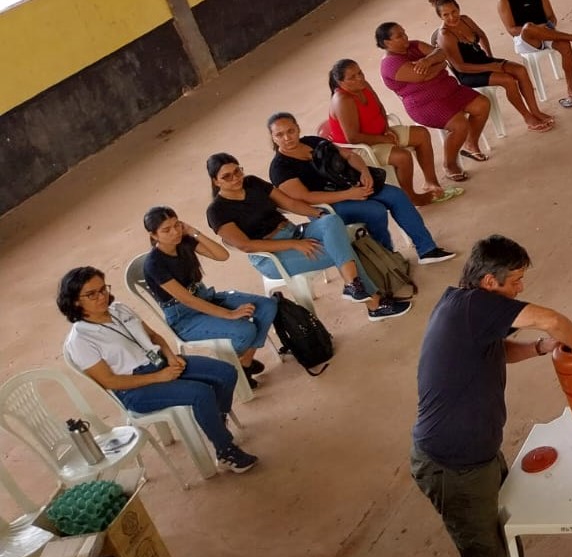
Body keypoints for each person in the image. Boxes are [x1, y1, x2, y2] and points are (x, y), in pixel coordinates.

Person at [410, 235, 572, 557]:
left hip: (479, 452)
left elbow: (498, 349)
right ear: (490, 281)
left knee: (506, 527)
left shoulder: (466, 309)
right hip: (451, 466)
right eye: (515, 281)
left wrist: (541, 349)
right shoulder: (475, 307)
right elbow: (553, 319)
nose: (520, 288)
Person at [59, 266, 258, 473]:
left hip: (160, 361)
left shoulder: (119, 309)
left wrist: (171, 357)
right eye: (91, 294)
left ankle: (216, 420)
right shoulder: (80, 339)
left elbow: (154, 336)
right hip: (134, 387)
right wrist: (159, 377)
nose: (102, 297)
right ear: (75, 301)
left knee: (226, 372)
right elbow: (109, 381)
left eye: (103, 289)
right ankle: (225, 450)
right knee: (201, 393)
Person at [204, 152, 410, 322]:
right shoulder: (217, 211)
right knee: (341, 249)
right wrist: (294, 244)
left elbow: (290, 203)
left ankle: (353, 286)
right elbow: (246, 245)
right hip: (269, 255)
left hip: (293, 232)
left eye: (237, 171)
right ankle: (374, 303)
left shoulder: (252, 183)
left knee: (331, 220)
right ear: (215, 181)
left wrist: (318, 214)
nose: (236, 178)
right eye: (227, 177)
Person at [266, 112, 455, 265]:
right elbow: (306, 197)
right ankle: (387, 258)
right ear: (273, 138)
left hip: (350, 187)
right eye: (279, 135)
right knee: (374, 210)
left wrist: (364, 172)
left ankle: (427, 249)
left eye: (290, 131)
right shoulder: (280, 167)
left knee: (396, 195)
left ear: (298, 128)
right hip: (326, 207)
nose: (287, 138)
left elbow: (348, 155)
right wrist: (349, 194)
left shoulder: (312, 142)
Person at [141, 206, 278, 390]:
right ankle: (233, 367)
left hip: (206, 297)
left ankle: (244, 363)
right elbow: (187, 300)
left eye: (177, 225)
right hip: (185, 317)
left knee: (267, 306)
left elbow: (222, 255)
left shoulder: (184, 241)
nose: (175, 232)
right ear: (154, 235)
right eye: (166, 230)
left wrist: (193, 232)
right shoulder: (154, 264)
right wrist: (230, 314)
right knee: (245, 330)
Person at [326, 58, 458, 207]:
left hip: (380, 134)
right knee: (403, 157)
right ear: (341, 82)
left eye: (360, 73)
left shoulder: (363, 85)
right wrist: (383, 139)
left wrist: (387, 129)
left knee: (422, 134)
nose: (360, 78)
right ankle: (410, 197)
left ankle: (431, 182)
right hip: (357, 149)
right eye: (352, 77)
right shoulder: (342, 100)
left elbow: (380, 107)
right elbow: (353, 137)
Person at [376, 22, 491, 183]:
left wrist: (428, 61)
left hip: (450, 90)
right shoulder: (390, 63)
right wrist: (439, 65)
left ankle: (470, 144)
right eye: (399, 36)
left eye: (404, 32)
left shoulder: (415, 45)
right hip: (424, 104)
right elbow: (421, 76)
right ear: (387, 43)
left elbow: (442, 53)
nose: (405, 37)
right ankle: (449, 164)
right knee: (460, 125)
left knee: (482, 105)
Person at [430, 0, 553, 132]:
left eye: (454, 11)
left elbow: (481, 35)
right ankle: (527, 117)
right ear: (440, 16)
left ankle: (535, 111)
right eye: (446, 15)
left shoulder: (465, 20)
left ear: (458, 8)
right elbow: (460, 67)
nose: (452, 17)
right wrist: (490, 66)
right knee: (508, 80)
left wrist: (489, 57)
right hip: (468, 73)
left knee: (520, 70)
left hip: (483, 61)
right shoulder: (445, 35)